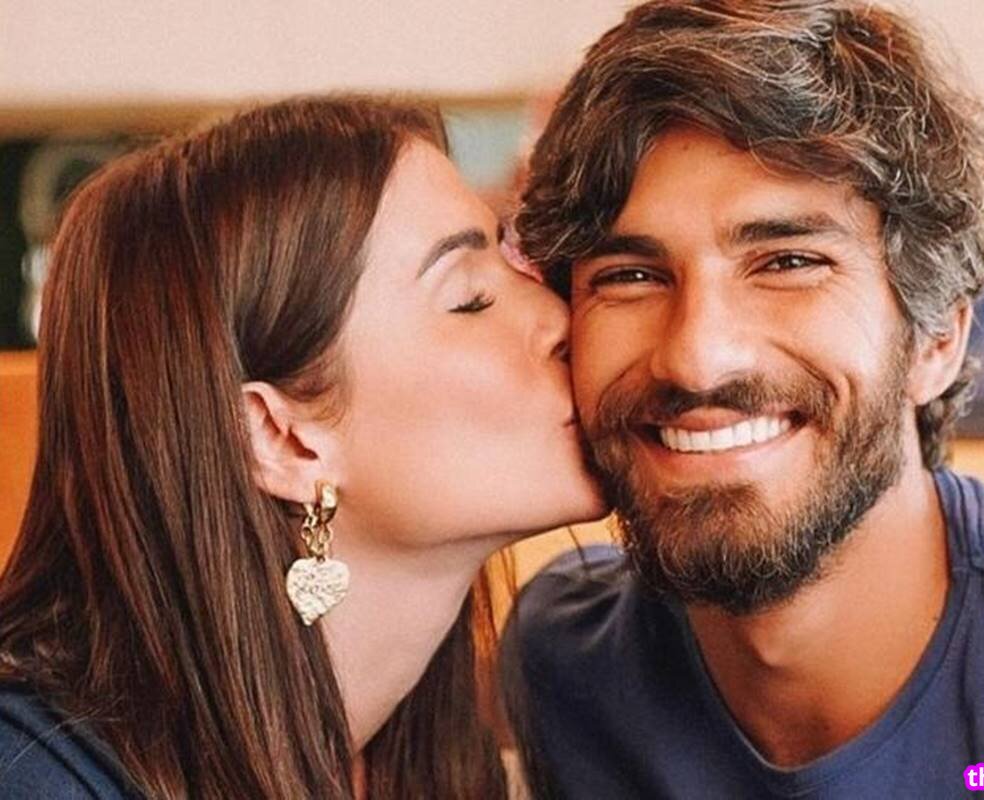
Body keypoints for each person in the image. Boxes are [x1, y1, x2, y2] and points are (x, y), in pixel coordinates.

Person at [502, 1, 984, 797]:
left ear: (937, 339)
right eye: (630, 276)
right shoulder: (566, 658)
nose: (697, 357)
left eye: (788, 263)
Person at [0, 95, 605, 799]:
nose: (562, 316)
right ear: (280, 437)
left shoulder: (427, 757)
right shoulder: (33, 775)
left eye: (514, 261)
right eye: (470, 298)